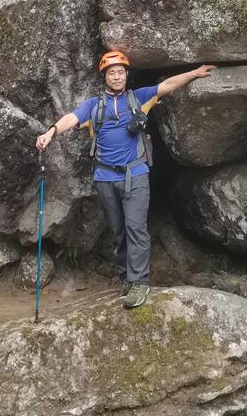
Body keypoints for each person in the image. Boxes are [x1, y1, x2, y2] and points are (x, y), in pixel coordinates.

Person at [36, 50, 214, 308]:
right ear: (105, 77)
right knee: (117, 232)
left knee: (136, 229)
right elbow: (71, 118)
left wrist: (194, 73)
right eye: (112, 73)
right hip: (105, 177)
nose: (117, 76)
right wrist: (50, 131)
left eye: (121, 72)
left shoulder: (138, 98)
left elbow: (167, 86)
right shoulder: (94, 106)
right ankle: (127, 278)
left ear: (126, 75)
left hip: (136, 174)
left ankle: (140, 282)